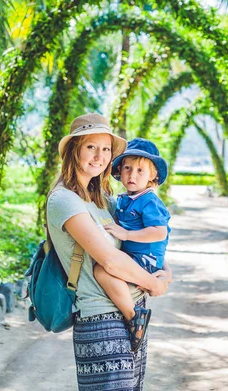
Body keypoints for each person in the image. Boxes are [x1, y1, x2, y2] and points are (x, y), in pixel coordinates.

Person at [46, 113, 170, 390]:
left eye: (105, 149)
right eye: (91, 147)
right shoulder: (65, 200)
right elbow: (110, 260)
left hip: (135, 311)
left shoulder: (106, 201)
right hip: (101, 318)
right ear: (73, 149)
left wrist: (165, 269)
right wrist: (156, 285)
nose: (99, 155)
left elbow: (143, 239)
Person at [94, 138, 171, 352]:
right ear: (119, 170)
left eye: (140, 170)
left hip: (143, 260)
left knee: (102, 270)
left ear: (152, 176)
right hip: (137, 256)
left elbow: (159, 232)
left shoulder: (149, 201)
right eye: (127, 168)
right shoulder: (127, 199)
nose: (132, 175)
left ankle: (133, 317)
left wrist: (126, 234)